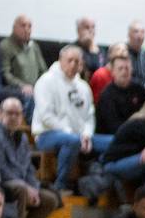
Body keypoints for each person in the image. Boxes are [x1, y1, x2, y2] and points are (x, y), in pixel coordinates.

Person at [33, 45, 110, 192]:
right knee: (72, 140)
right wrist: (70, 133)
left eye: (77, 61)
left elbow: (89, 116)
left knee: (114, 142)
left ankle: (98, 180)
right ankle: (60, 186)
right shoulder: (46, 81)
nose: (74, 64)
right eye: (70, 60)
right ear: (60, 60)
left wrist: (87, 134)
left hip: (80, 136)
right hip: (47, 135)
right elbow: (46, 116)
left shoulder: (83, 87)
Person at [0, 97, 61, 218]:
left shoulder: (22, 137)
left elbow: (28, 167)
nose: (14, 117)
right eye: (9, 113)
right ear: (0, 114)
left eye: (17, 114)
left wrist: (33, 188)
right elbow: (0, 168)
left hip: (23, 184)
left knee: (50, 199)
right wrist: (26, 187)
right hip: (1, 182)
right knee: (21, 189)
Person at [0, 14, 45, 115]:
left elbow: (43, 70)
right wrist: (22, 85)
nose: (27, 29)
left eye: (29, 26)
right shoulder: (5, 46)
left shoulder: (34, 46)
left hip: (36, 88)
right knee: (28, 96)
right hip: (16, 89)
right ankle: (32, 125)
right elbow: (5, 73)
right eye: (23, 25)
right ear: (14, 28)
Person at [95, 55, 145, 136]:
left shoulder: (139, 89)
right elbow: (113, 127)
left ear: (132, 70)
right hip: (110, 137)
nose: (124, 71)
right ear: (112, 72)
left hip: (135, 133)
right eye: (120, 68)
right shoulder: (107, 95)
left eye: (127, 68)